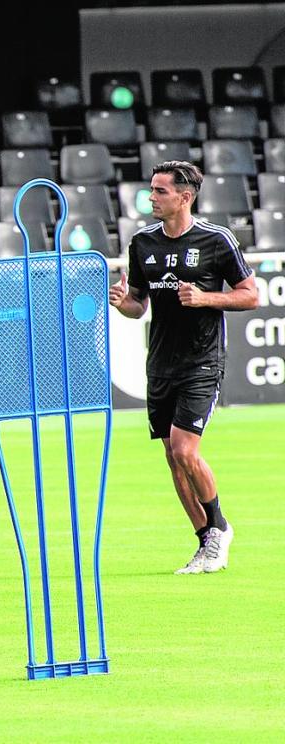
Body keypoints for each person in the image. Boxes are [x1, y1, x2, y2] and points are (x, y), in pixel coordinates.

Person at [109, 160, 257, 574]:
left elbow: (249, 295)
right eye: (152, 190)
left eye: (159, 191)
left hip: (202, 361)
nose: (151, 197)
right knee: (173, 460)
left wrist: (207, 298)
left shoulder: (216, 239)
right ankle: (204, 540)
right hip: (160, 363)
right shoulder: (142, 243)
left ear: (184, 197)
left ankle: (220, 528)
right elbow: (138, 304)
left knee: (184, 450)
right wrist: (125, 305)